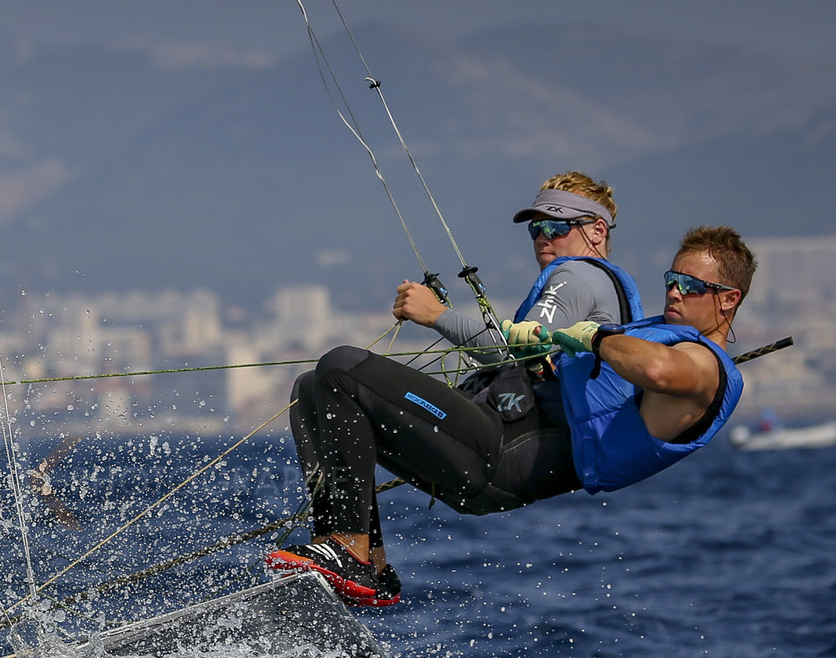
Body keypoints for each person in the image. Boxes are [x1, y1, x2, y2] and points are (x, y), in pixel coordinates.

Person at [272, 226, 753, 606]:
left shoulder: (706, 366)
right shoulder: (657, 332)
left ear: (728, 298)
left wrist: (592, 337)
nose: (674, 293)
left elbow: (655, 369)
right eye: (671, 280)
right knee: (312, 388)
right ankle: (366, 561)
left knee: (340, 366)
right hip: (491, 438)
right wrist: (547, 349)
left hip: (501, 456)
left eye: (690, 286)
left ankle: (350, 550)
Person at [392, 171, 639, 367]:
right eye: (536, 228)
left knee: (355, 367)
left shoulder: (575, 276)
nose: (543, 237)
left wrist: (435, 314)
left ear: (598, 231)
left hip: (542, 426)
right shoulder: (607, 282)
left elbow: (512, 357)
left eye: (556, 227)